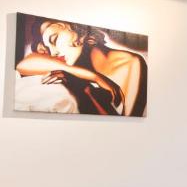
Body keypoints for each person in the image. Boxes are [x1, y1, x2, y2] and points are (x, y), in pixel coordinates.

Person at [15, 20, 147, 116]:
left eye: (54, 40)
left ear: (78, 31)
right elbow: (23, 65)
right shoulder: (75, 70)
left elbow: (125, 129)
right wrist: (91, 78)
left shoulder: (130, 63)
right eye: (48, 49)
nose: (53, 53)